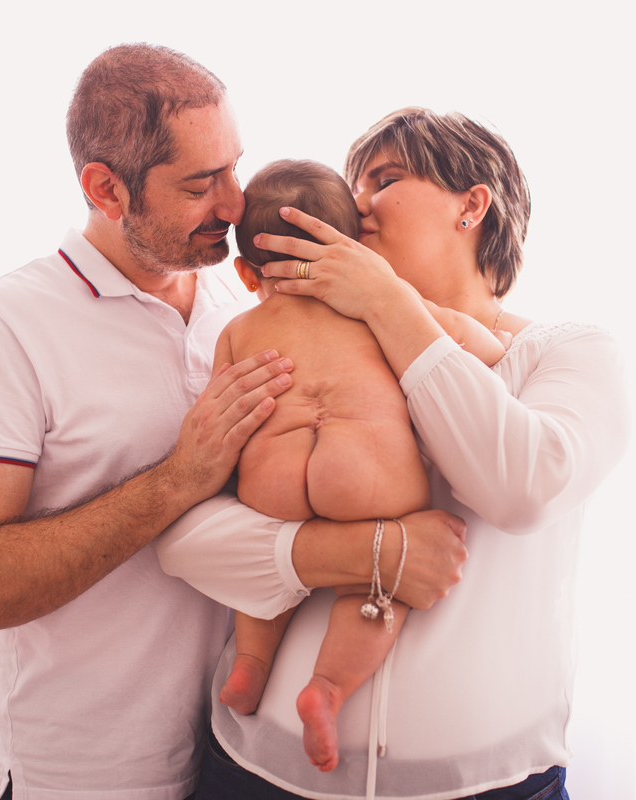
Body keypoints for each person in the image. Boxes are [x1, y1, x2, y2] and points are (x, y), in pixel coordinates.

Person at [156, 108, 630, 800]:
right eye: (354, 188)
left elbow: (521, 488)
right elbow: (184, 540)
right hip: (258, 770)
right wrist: (369, 555)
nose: (358, 204)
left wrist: (388, 304)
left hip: (485, 786)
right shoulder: (281, 341)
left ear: (472, 204)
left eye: (385, 178)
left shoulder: (569, 353)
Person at [0, 44, 301, 800]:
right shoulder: (4, 326)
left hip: (238, 769)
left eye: (233, 168)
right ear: (106, 189)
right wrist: (177, 481)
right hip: (85, 782)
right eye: (201, 184)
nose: (234, 204)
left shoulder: (244, 307)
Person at [215, 159, 509, 772]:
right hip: (361, 467)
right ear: (353, 249)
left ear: (245, 272)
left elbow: (222, 416)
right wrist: (489, 339)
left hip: (273, 474)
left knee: (264, 579)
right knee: (377, 585)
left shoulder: (241, 328)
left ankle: (250, 665)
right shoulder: (383, 308)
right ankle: (327, 688)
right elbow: (484, 347)